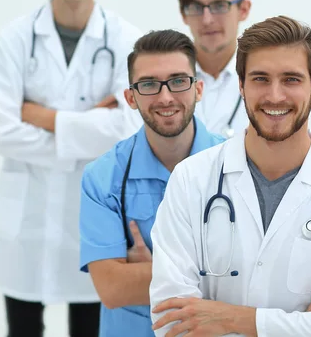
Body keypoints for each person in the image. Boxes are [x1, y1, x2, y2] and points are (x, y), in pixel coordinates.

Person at [149, 16, 311, 336]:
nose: (275, 96)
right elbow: (172, 323)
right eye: (260, 79)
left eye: (291, 79)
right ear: (241, 85)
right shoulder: (191, 180)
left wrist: (233, 319)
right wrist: (306, 325)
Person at [0, 0, 142, 337]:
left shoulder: (125, 39)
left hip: (93, 213)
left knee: (90, 324)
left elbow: (127, 128)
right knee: (22, 327)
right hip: (27, 214)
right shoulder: (16, 38)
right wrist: (92, 125)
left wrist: (43, 117)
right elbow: (3, 131)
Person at [78, 30, 225, 337]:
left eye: (178, 81)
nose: (165, 97)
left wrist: (152, 269)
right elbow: (113, 288)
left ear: (199, 88)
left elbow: (256, 280)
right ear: (131, 98)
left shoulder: (237, 168)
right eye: (148, 85)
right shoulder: (103, 178)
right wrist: (212, 275)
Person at [178, 0, 251, 138]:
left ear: (243, 10)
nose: (207, 20)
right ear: (184, 15)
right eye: (196, 7)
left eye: (219, 6)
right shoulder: (164, 81)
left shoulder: (262, 79)